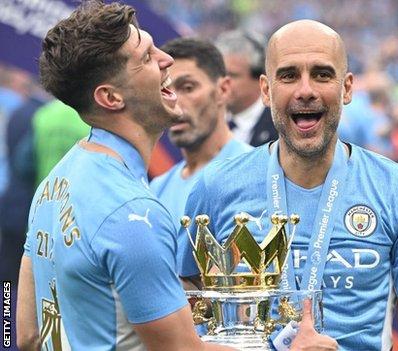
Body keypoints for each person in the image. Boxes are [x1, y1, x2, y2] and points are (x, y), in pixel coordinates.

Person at [15, 3, 328, 351]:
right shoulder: (133, 213)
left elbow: (26, 334)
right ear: (110, 97)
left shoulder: (55, 184)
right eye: (147, 57)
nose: (166, 58)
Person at [180, 19, 398, 351]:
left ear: (347, 88)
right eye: (289, 75)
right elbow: (182, 322)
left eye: (322, 74)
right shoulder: (215, 187)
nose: (305, 90)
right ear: (266, 90)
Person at [150, 38, 251, 241]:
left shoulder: (252, 173)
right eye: (165, 90)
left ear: (223, 90)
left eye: (188, 87)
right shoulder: (156, 189)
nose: (174, 102)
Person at [215, 30, 278, 146]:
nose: (221, 83)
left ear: (261, 79)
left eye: (232, 75)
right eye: (218, 75)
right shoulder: (208, 123)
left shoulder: (280, 127)